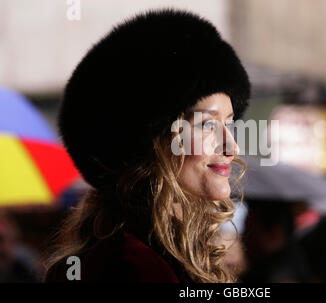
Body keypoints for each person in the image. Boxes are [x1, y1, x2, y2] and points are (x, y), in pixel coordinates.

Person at [44, 9, 250, 283]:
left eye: (229, 122)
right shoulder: (132, 266)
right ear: (152, 144)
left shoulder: (156, 255)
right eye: (207, 125)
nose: (231, 147)